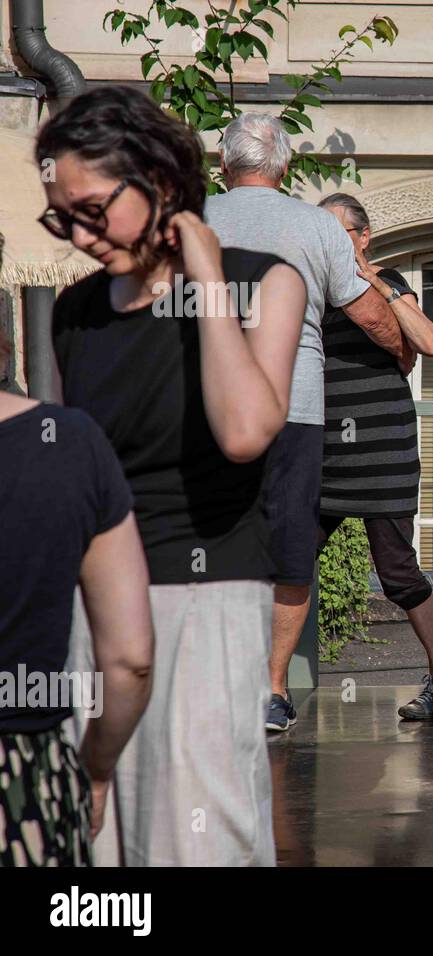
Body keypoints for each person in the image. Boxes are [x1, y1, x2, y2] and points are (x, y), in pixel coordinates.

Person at [40, 85, 307, 865]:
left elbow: (247, 431)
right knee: (96, 844)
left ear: (157, 181)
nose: (79, 235)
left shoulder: (268, 280)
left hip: (208, 597)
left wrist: (207, 279)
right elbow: (69, 468)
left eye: (93, 209)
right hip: (93, 609)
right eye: (63, 217)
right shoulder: (75, 310)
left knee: (197, 837)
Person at [206, 114, 409, 733]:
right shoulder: (315, 225)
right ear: (286, 169)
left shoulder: (191, 219)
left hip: (205, 409)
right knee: (291, 545)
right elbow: (370, 312)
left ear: (223, 166)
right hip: (291, 410)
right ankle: (271, 690)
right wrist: (401, 347)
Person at [0, 316, 153, 867]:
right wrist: (97, 769)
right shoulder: (70, 445)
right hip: (26, 778)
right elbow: (130, 660)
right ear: (5, 341)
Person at [316, 193, 433, 719]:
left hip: (384, 457)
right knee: (285, 564)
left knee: (398, 575)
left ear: (363, 236)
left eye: (338, 234)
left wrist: (373, 279)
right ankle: (270, 687)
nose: (329, 245)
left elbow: (429, 343)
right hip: (324, 456)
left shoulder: (391, 282)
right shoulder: (312, 290)